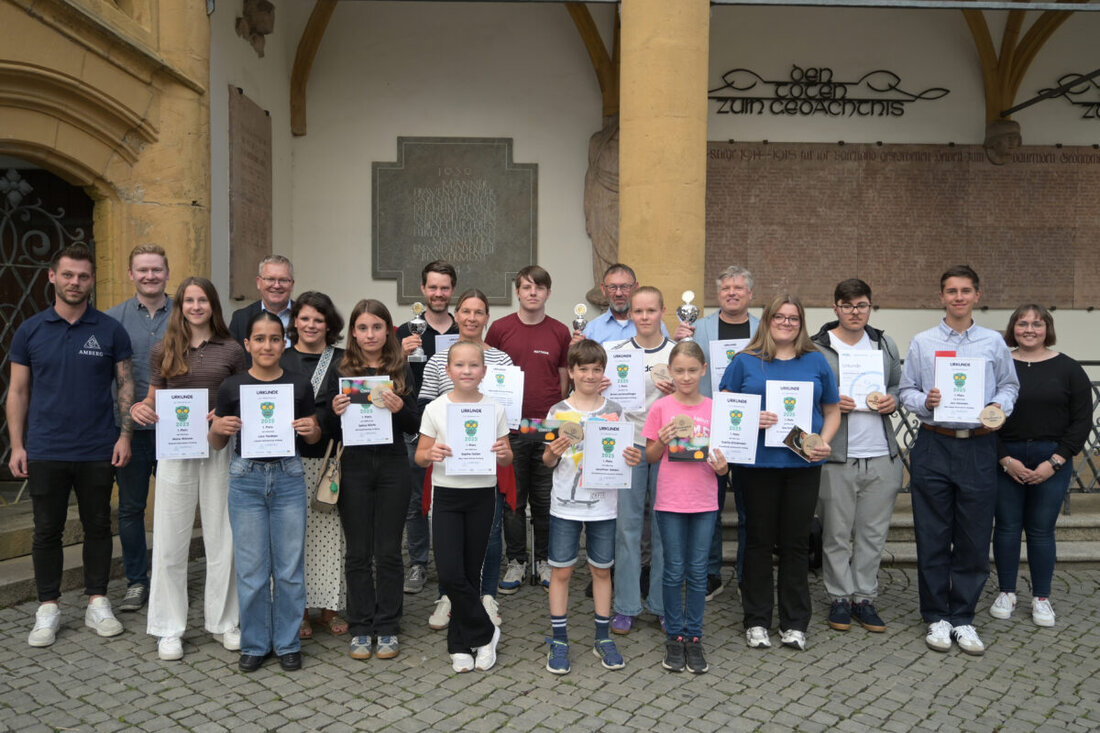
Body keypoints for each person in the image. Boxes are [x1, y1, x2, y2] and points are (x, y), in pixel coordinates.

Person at [8, 243, 134, 648]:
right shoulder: (30, 330)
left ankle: (98, 600)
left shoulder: (110, 329)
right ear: (52, 276)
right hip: (45, 448)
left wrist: (125, 434)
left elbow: (126, 385)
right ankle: (48, 606)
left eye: (82, 276)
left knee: (98, 525)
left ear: (92, 280)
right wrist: (17, 445)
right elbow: (18, 391)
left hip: (98, 447)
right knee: (47, 530)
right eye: (68, 274)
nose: (75, 282)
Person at [899, 265, 1019, 656]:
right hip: (934, 442)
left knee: (972, 533)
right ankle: (936, 615)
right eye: (951, 291)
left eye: (965, 290)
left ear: (977, 296)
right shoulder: (923, 341)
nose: (958, 297)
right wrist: (925, 402)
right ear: (941, 297)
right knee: (932, 532)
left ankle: (963, 617)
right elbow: (907, 391)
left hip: (979, 445)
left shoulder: (992, 342)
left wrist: (998, 405)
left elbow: (1009, 384)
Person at [130, 277, 247, 661]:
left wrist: (225, 412)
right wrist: (139, 409)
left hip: (218, 446)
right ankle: (168, 628)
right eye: (189, 300)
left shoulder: (231, 349)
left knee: (222, 537)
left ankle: (224, 622)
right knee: (169, 538)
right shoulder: (163, 348)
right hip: (175, 448)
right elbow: (153, 398)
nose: (196, 306)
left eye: (203, 300)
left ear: (213, 305)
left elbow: (242, 396)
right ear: (180, 306)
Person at [720, 294, 840, 652]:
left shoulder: (816, 362)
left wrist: (823, 441)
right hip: (756, 466)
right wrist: (749, 418)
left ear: (801, 323)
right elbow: (726, 411)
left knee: (796, 543)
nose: (786, 323)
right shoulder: (745, 361)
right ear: (767, 320)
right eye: (780, 317)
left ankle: (794, 622)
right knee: (756, 542)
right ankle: (756, 620)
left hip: (802, 465)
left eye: (793, 318)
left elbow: (832, 411)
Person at [211, 311, 321, 672]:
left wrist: (310, 429)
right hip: (246, 479)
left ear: (284, 342)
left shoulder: (299, 384)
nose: (267, 345)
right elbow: (214, 443)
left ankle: (287, 642)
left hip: (288, 476)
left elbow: (314, 436)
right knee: (251, 569)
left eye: (275, 338)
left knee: (289, 567)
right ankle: (256, 642)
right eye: (259, 339)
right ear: (248, 344)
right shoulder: (231, 387)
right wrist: (220, 428)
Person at [543, 340, 641, 674]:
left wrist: (631, 457)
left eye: (596, 369)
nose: (589, 374)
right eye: (582, 369)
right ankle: (559, 640)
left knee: (601, 570)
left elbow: (627, 456)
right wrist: (553, 451)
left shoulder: (614, 410)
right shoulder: (557, 412)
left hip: (604, 506)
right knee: (562, 571)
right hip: (565, 506)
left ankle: (602, 636)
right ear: (570, 372)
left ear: (603, 372)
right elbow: (546, 460)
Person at [809, 279, 902, 633]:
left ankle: (864, 596)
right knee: (835, 531)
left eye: (861, 305)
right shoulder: (817, 348)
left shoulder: (884, 344)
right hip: (837, 456)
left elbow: (897, 384)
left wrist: (894, 400)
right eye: (847, 305)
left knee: (872, 532)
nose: (854, 312)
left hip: (881, 452)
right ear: (835, 308)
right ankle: (839, 597)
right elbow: (807, 395)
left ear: (870, 307)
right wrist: (829, 403)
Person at [417, 289, 513, 630]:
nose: (472, 317)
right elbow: (425, 406)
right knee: (450, 541)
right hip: (449, 465)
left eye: (479, 311)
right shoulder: (437, 360)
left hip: (485, 461)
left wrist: (500, 445)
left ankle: (486, 596)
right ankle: (449, 596)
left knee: (489, 531)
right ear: (457, 315)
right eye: (466, 311)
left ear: (487, 317)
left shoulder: (501, 361)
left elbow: (507, 410)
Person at [990, 305, 1090, 628]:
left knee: (1041, 529)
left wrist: (1055, 462)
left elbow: (1081, 422)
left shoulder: (1070, 369)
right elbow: (987, 416)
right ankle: (1006, 592)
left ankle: (1041, 598)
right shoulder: (998, 367)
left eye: (1037, 323)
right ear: (1012, 328)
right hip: (1006, 456)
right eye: (1023, 323)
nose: (1029, 329)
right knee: (1006, 527)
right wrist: (1004, 459)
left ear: (1047, 328)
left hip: (1052, 458)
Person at [329, 300, 419, 661]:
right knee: (358, 551)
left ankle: (388, 625)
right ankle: (361, 625)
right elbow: (327, 428)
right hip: (354, 465)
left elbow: (415, 424)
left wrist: (401, 409)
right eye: (363, 328)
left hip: (393, 464)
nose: (370, 334)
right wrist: (334, 414)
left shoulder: (400, 368)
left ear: (388, 331)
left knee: (388, 551)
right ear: (353, 331)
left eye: (377, 327)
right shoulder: (342, 367)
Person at [643, 341, 729, 674]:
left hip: (704, 500)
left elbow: (724, 460)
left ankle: (694, 636)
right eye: (679, 370)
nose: (686, 376)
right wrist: (662, 440)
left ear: (704, 370)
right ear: (670, 371)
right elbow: (650, 456)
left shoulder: (714, 408)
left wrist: (724, 469)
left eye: (692, 370)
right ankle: (674, 636)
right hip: (669, 499)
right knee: (673, 569)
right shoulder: (661, 408)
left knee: (696, 572)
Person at [486, 266, 571, 592]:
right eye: (526, 287)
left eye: (539, 287)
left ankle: (545, 561)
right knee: (513, 501)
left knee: (546, 500)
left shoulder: (560, 331)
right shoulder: (500, 329)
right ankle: (517, 561)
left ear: (548, 292)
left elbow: (564, 375)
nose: (532, 292)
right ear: (517, 292)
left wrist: (558, 410)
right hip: (511, 428)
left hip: (548, 428)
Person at [678, 265, 759, 599]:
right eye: (726, 288)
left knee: (749, 506)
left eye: (739, 288)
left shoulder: (762, 329)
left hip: (751, 428)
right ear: (718, 293)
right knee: (708, 506)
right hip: (706, 426)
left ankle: (745, 575)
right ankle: (709, 574)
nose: (732, 293)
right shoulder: (701, 328)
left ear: (750, 294)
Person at [105, 243, 172, 613]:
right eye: (142, 270)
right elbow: (110, 379)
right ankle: (136, 581)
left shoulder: (186, 313)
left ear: (167, 273)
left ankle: (169, 578)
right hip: (129, 431)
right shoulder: (111, 319)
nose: (150, 276)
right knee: (130, 510)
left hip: (176, 429)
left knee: (174, 507)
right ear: (130, 274)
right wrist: (125, 426)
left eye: (156, 270)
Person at [607, 286, 676, 634]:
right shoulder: (615, 353)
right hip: (629, 446)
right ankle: (626, 605)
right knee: (628, 527)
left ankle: (663, 605)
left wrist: (679, 389)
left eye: (651, 310)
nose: (645, 317)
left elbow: (693, 399)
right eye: (638, 311)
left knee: (664, 528)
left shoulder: (678, 354)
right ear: (630, 314)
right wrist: (602, 386)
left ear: (663, 311)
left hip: (667, 449)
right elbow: (603, 402)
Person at [281, 292, 348, 639]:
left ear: (328, 325)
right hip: (288, 461)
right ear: (294, 322)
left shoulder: (341, 359)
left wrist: (322, 423)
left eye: (318, 320)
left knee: (331, 536)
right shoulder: (280, 357)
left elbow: (349, 410)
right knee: (297, 539)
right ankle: (301, 609)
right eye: (304, 318)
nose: (310, 325)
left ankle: (331, 607)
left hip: (328, 460)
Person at [396, 261, 459, 595]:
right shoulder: (405, 331)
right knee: (415, 500)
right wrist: (399, 354)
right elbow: (390, 378)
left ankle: (457, 562)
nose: (438, 293)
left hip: (460, 429)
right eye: (432, 287)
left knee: (456, 496)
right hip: (416, 428)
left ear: (452, 290)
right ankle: (419, 563)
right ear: (422, 290)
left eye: (444, 287)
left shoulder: (463, 329)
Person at [578, 263, 668, 344]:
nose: (618, 293)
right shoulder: (591, 330)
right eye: (612, 287)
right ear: (603, 289)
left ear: (636, 288)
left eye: (625, 287)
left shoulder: (656, 326)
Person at [228, 255, 295, 348]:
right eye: (270, 279)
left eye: (283, 280)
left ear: (292, 285)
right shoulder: (240, 319)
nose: (276, 286)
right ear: (259, 282)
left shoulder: (305, 318)